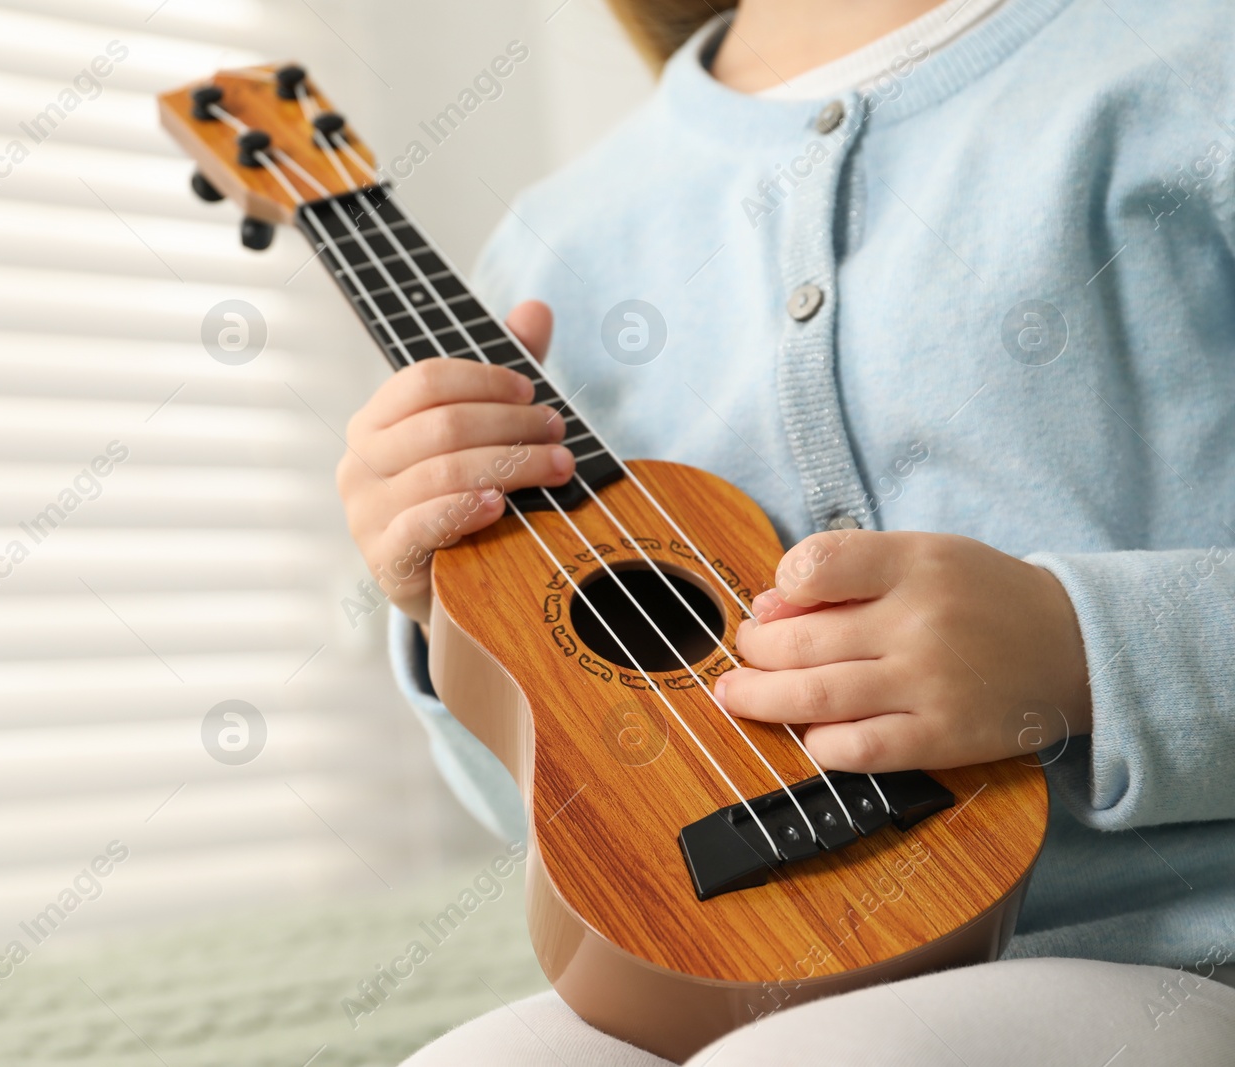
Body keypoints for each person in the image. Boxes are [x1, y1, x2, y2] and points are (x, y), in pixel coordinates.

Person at [334, 0, 1235, 1062]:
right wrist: (444, 609)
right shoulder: (553, 242)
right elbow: (564, 825)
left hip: (1179, 955)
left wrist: (1080, 648)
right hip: (705, 977)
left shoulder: (1194, 63)